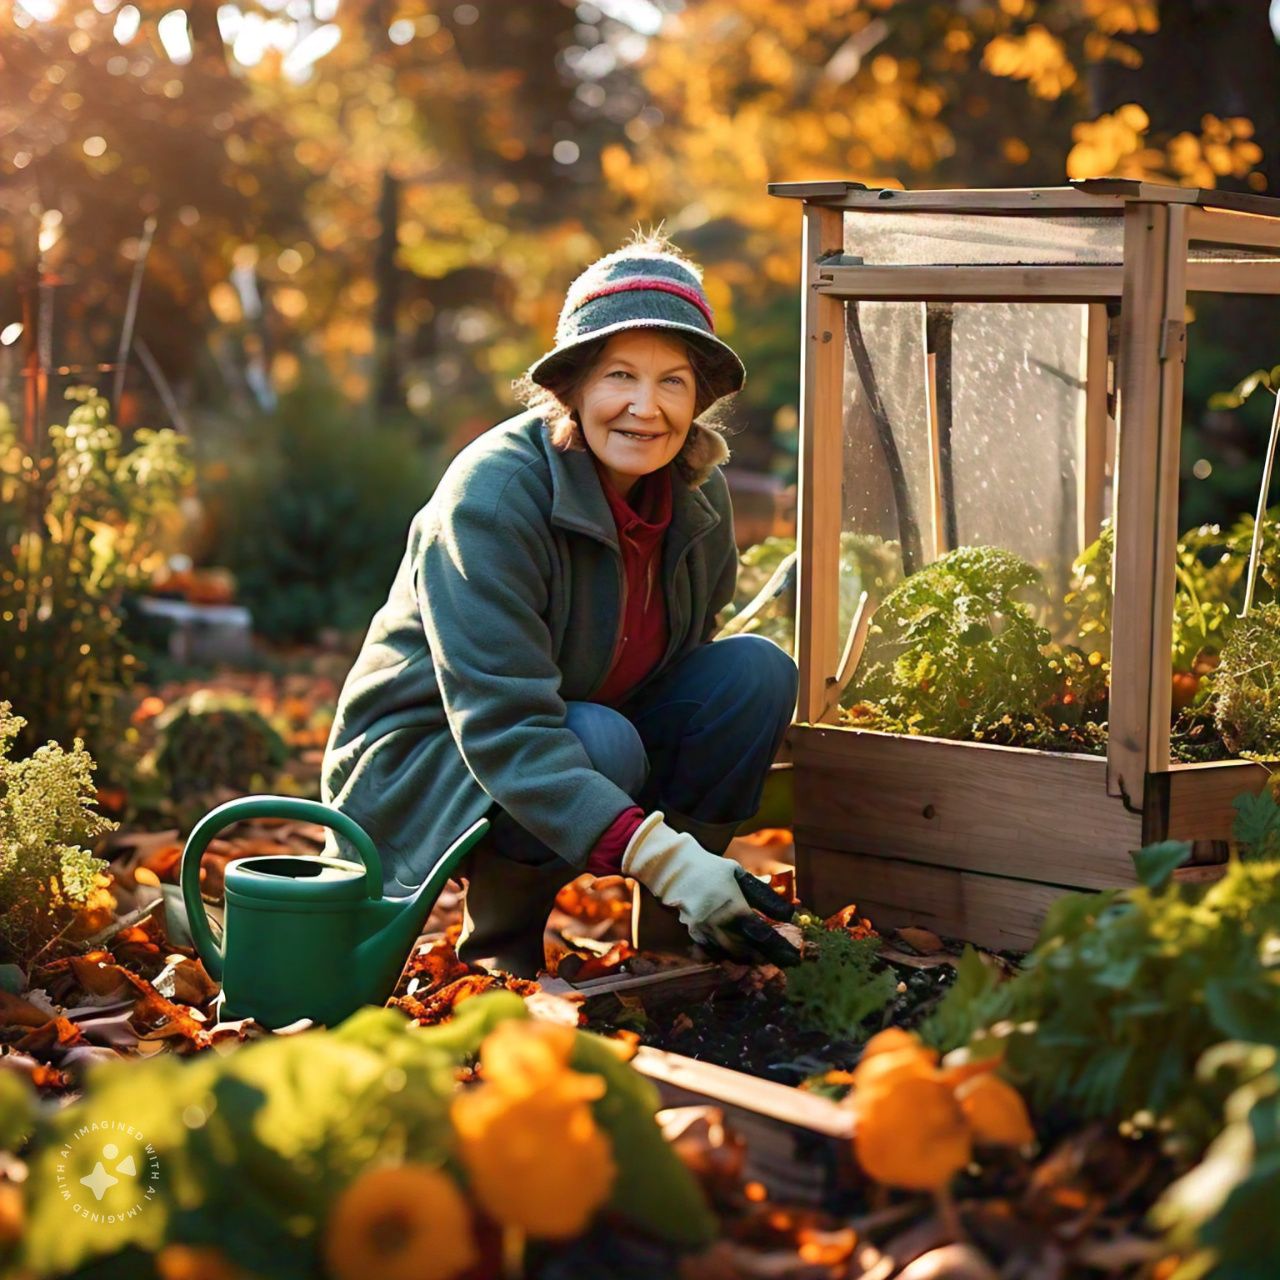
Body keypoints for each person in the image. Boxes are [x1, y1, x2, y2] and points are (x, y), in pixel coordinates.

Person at [320, 230, 800, 978]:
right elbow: (503, 723)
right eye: (620, 376)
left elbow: (686, 658)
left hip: (586, 721)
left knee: (753, 676)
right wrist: (664, 856)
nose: (646, 408)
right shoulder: (495, 495)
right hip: (436, 753)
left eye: (673, 382)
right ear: (572, 386)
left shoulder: (697, 498)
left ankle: (682, 940)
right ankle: (500, 952)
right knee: (600, 739)